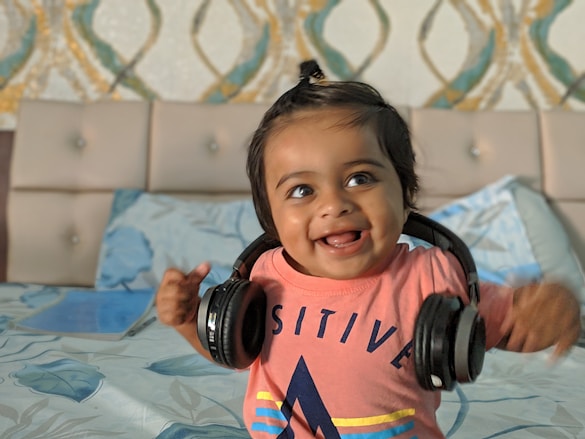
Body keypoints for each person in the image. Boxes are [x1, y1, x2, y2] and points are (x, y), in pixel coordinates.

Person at [155, 60, 581, 438]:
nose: (334, 204)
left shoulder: (431, 276)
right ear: (271, 219)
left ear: (405, 193)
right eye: (302, 189)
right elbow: (231, 348)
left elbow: (512, 324)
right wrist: (189, 319)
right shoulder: (263, 277)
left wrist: (554, 308)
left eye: (360, 178)